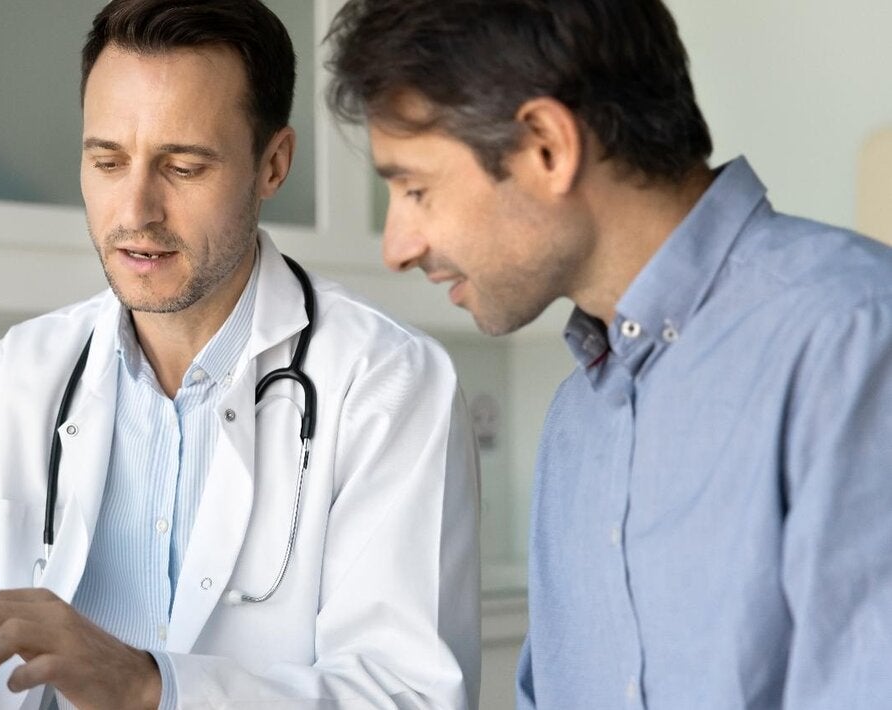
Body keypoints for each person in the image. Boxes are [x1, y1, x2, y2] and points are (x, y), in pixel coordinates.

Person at [0, 1, 482, 708]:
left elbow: (409, 697)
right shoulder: (31, 367)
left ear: (272, 165)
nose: (136, 211)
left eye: (182, 166)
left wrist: (149, 687)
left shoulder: (386, 382)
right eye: (108, 161)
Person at [326, 0, 892, 707]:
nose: (398, 247)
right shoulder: (578, 424)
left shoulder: (855, 339)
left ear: (547, 147)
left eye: (416, 189)